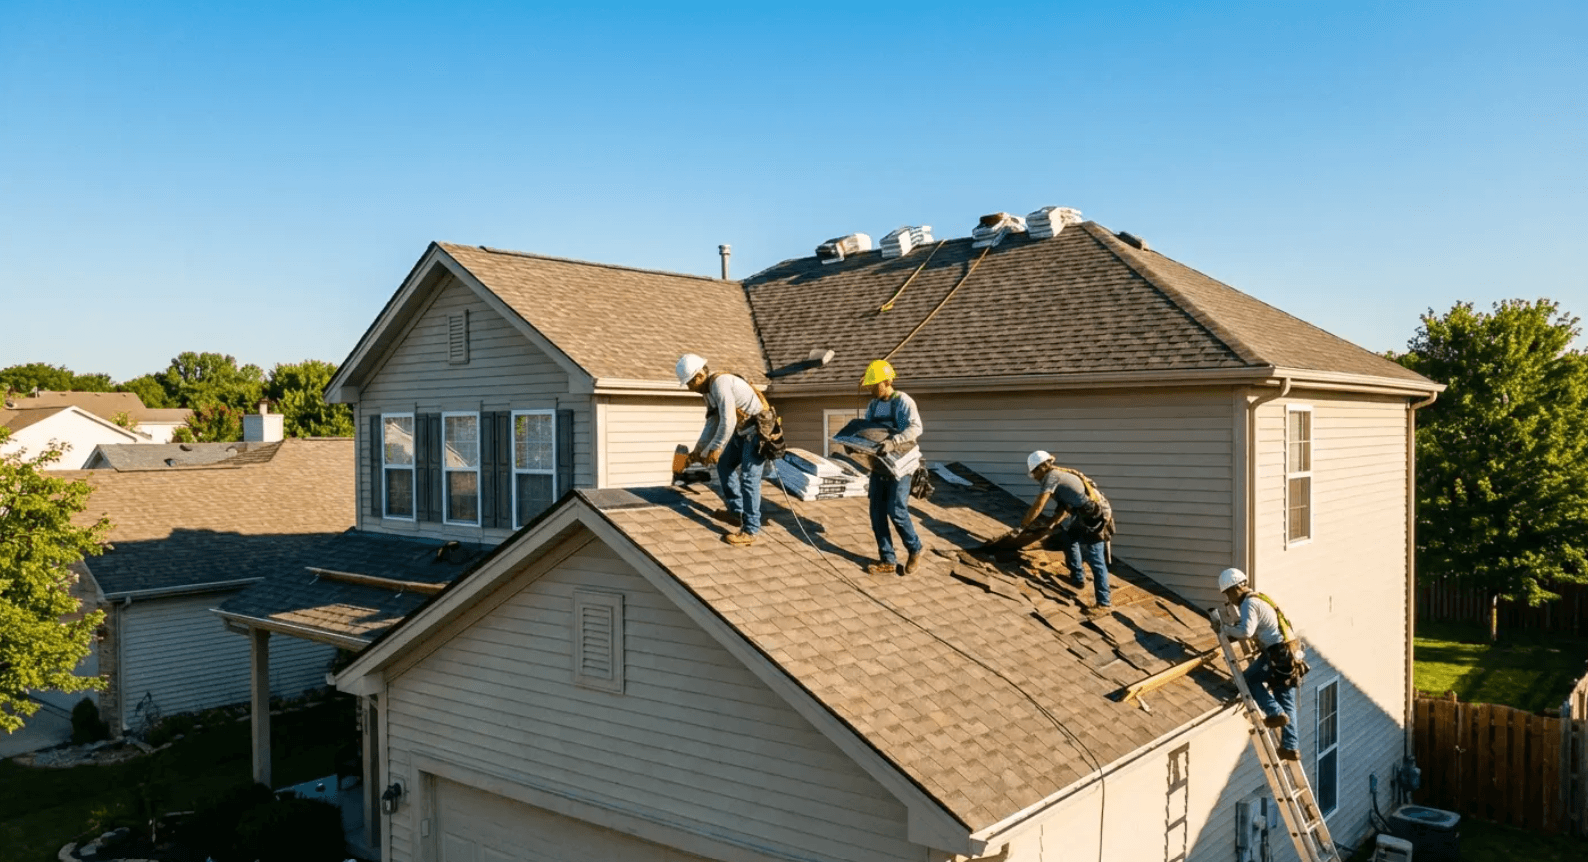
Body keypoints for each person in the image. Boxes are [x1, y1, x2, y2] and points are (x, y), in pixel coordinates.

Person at [1214, 567, 1309, 760]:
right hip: (1290, 654)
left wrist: (1224, 629)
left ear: (1234, 589)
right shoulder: (1262, 598)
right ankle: (1290, 747)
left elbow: (1246, 631)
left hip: (1277, 653)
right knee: (1286, 698)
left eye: (1228, 595)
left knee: (1248, 681)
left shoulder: (1249, 603)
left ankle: (1273, 712)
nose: (1229, 600)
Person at [677, 353, 770, 547]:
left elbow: (729, 420)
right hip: (741, 432)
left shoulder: (720, 384)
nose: (688, 388)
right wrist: (699, 450)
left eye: (689, 383)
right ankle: (737, 513)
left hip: (756, 433)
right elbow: (713, 422)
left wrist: (716, 447)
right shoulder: (708, 392)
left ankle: (751, 530)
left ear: (699, 376)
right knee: (725, 466)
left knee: (749, 479)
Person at [1017, 451, 1116, 611]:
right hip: (1083, 514)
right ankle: (1078, 578)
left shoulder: (1051, 476)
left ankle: (1104, 603)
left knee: (1096, 559)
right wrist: (1049, 525)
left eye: (1034, 472)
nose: (1035, 477)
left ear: (1042, 467)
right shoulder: (1060, 475)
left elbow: (1039, 504)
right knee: (1069, 538)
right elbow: (1064, 509)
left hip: (1094, 517)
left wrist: (1022, 526)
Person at [860, 360, 924, 575]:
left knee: (896, 511)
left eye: (874, 384)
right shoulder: (873, 405)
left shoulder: (903, 401)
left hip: (902, 464)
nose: (870, 389)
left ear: (887, 382)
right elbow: (868, 429)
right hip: (880, 465)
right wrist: (857, 444)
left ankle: (915, 548)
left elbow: (916, 428)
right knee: (876, 512)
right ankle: (887, 558)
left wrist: (894, 441)